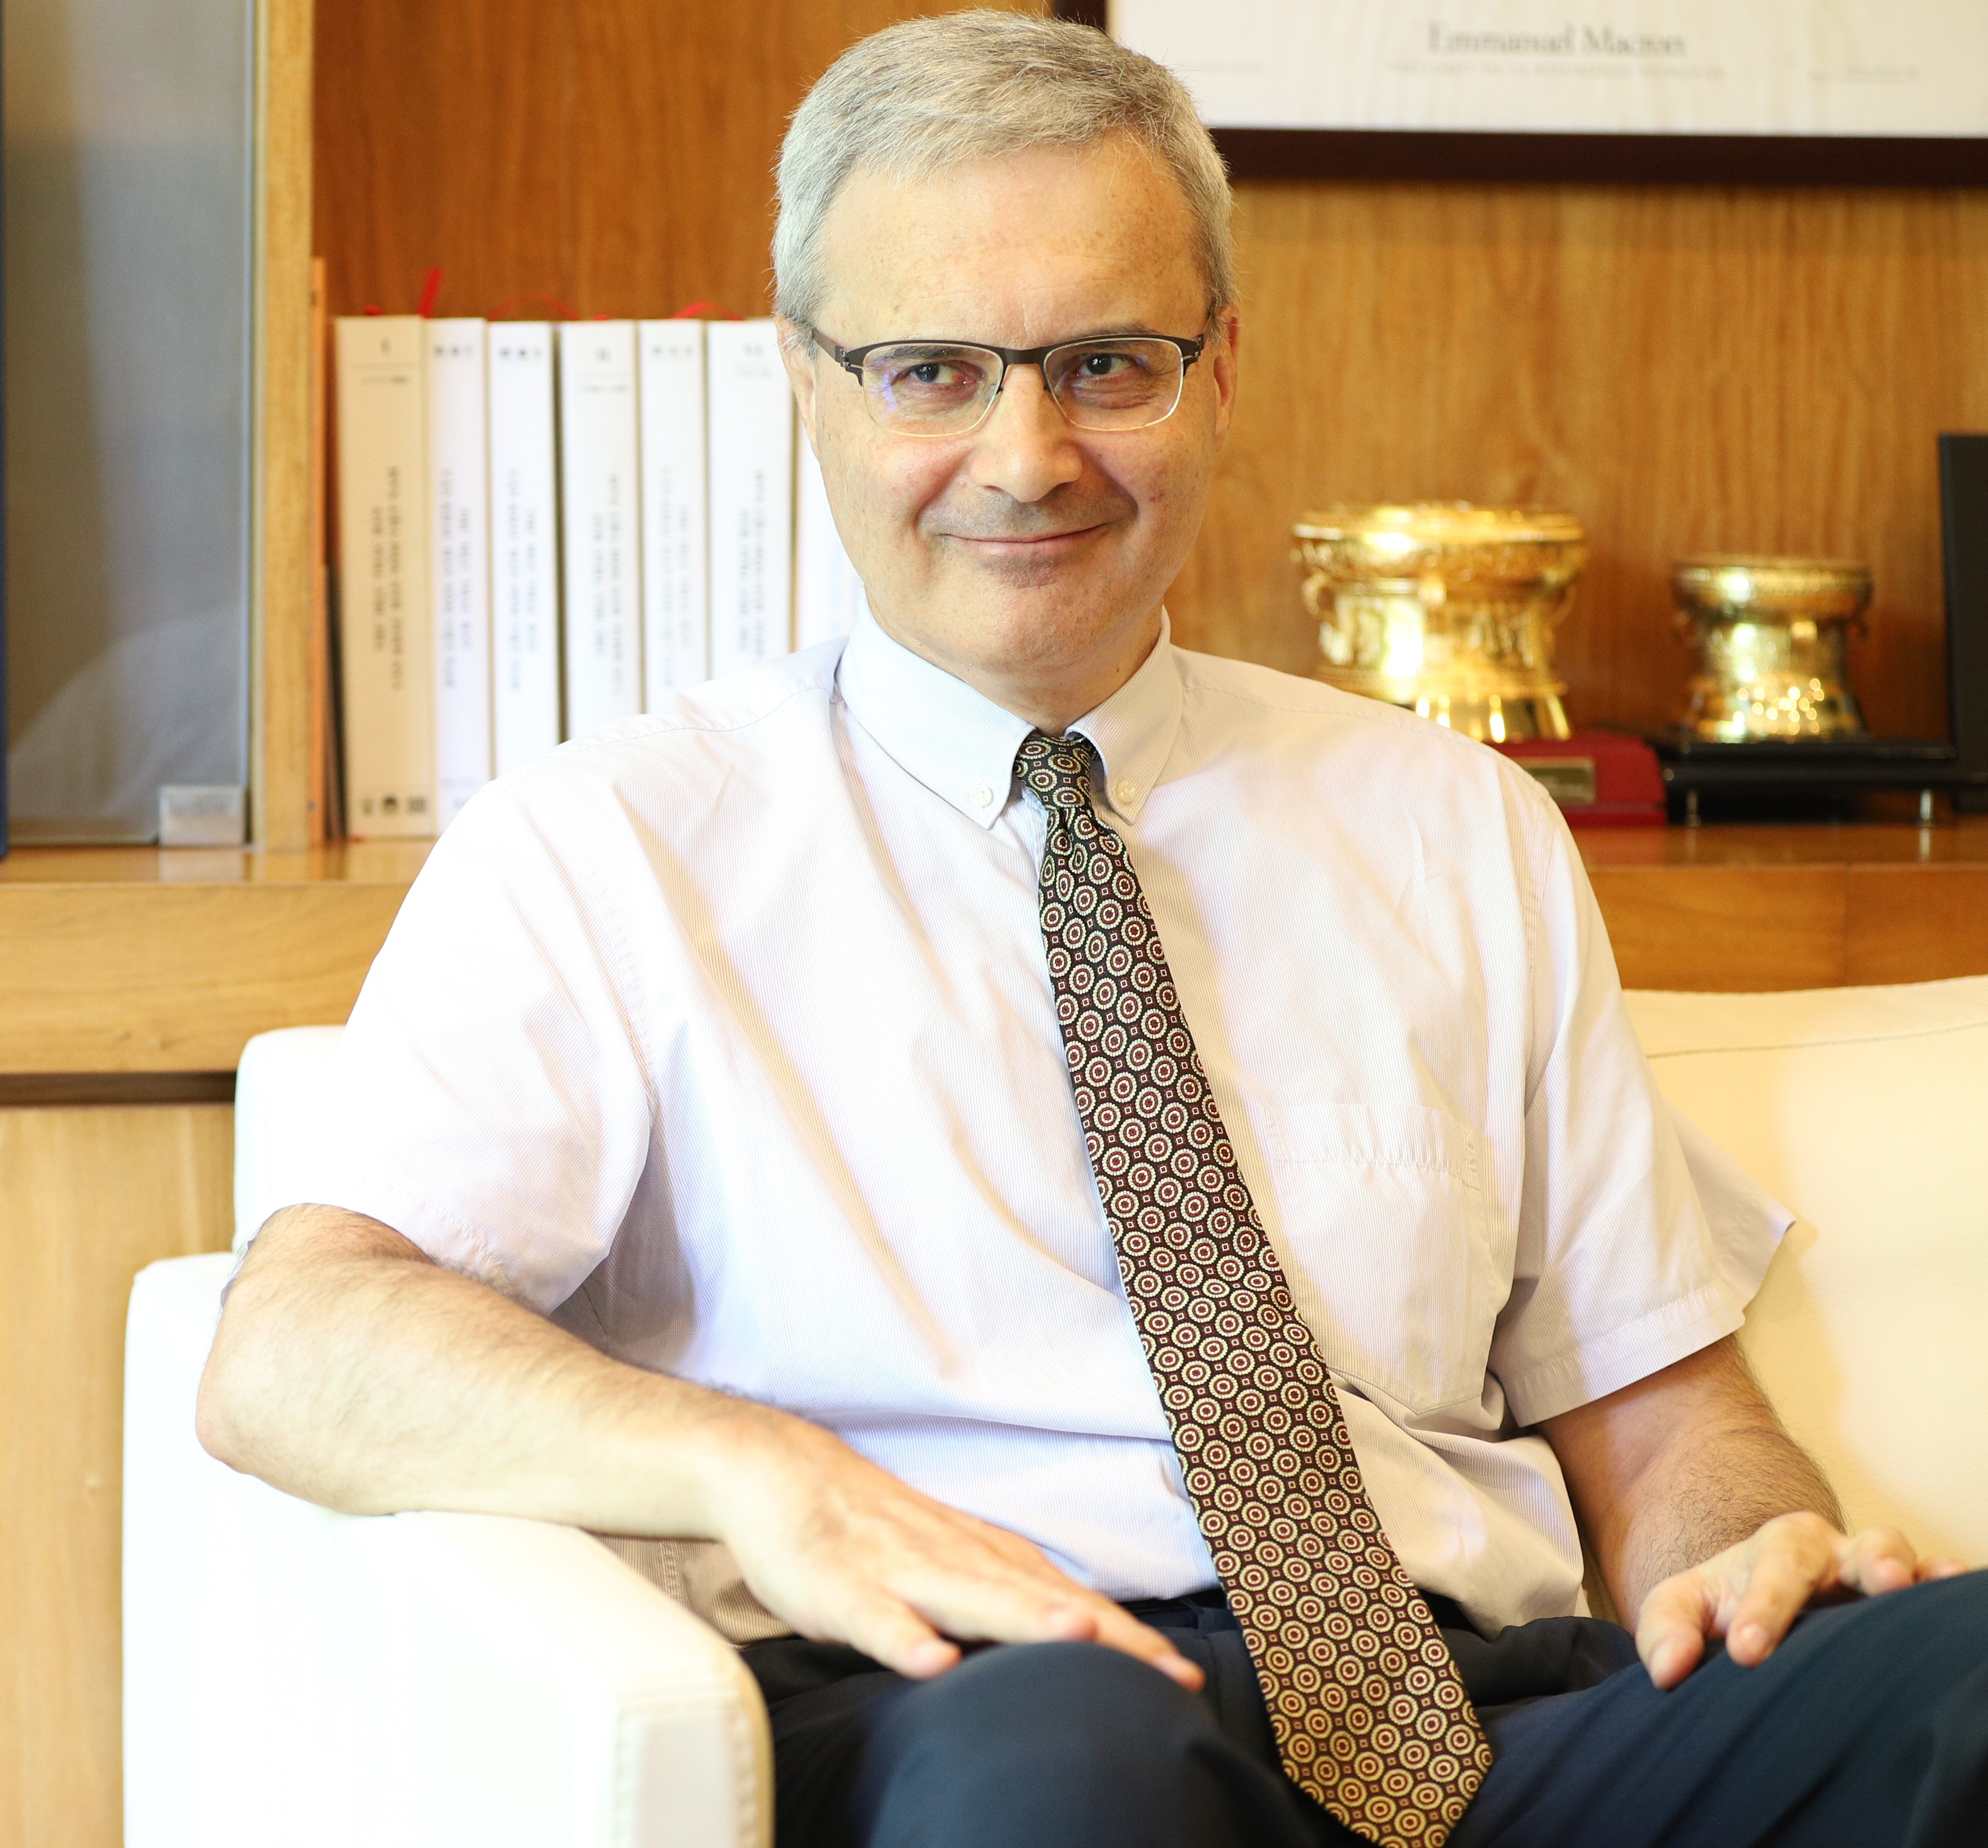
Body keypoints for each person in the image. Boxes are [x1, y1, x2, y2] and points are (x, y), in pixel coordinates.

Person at [198, 14, 1986, 1846]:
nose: (1027, 456)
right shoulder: (608, 846)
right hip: (968, 1707)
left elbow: (1664, 1412)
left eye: (1106, 365)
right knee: (1066, 1760)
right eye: (930, 372)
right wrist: (752, 1472)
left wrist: (1750, 1553)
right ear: (808, 384)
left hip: (1471, 1720)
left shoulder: (1457, 826)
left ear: (1219, 373)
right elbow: (294, 1347)